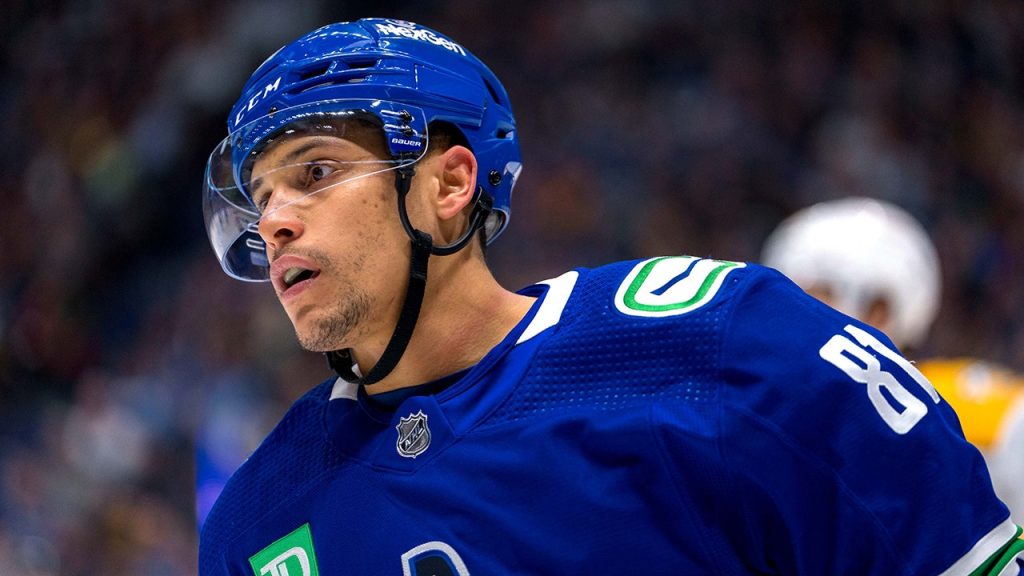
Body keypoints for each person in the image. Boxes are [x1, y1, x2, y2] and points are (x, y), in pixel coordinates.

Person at [199, 19, 1023, 575]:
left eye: (315, 171)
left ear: (449, 184)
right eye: (261, 195)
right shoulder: (256, 524)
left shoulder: (718, 346)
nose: (274, 221)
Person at [762, 195, 1024, 517]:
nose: (789, 320)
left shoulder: (982, 420)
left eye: (815, 297)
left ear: (879, 310)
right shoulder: (762, 422)